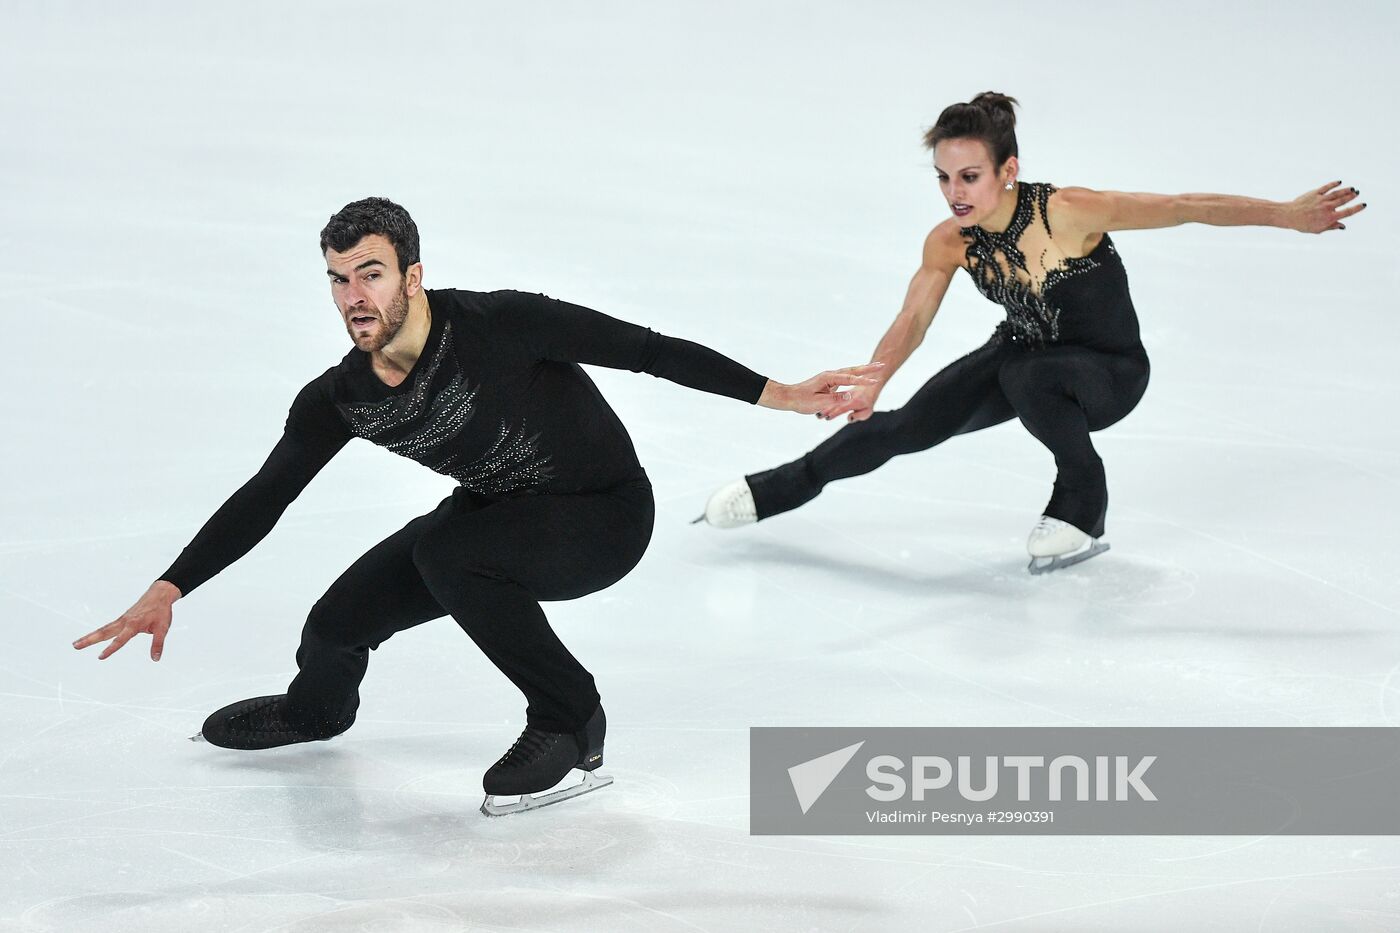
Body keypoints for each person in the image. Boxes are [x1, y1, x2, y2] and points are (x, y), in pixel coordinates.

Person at [72, 197, 878, 816]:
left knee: (448, 553)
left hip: (603, 515)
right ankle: (316, 709)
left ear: (412, 276)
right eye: (337, 277)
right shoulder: (340, 398)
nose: (353, 295)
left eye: (371, 272)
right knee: (337, 619)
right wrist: (170, 585)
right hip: (499, 513)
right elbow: (265, 495)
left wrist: (780, 395)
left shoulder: (502, 323)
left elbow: (648, 351)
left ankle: (570, 718)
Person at [700, 91, 1366, 573]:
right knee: (906, 425)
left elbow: (1183, 208)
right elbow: (914, 317)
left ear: (1007, 170)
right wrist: (878, 375)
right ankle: (775, 489)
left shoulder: (1069, 212)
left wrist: (1283, 215)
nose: (954, 190)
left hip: (1109, 374)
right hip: (1022, 357)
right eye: (944, 177)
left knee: (1024, 371)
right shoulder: (950, 242)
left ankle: (1083, 498)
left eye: (969, 175)